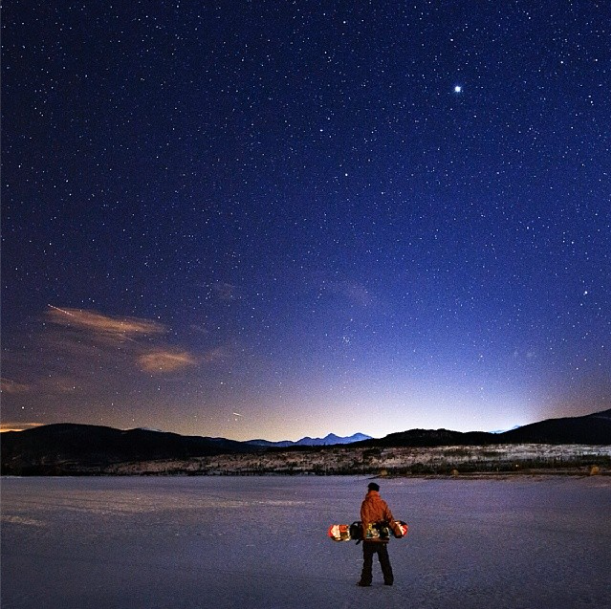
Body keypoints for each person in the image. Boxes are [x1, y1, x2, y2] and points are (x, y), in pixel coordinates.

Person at [357, 482, 395, 587]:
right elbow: (390, 518)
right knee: (384, 559)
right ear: (377, 491)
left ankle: (366, 581)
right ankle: (389, 580)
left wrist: (365, 535)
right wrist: (396, 531)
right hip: (382, 533)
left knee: (368, 560)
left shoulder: (366, 503)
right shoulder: (383, 503)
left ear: (369, 490)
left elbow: (365, 520)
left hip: (370, 533)